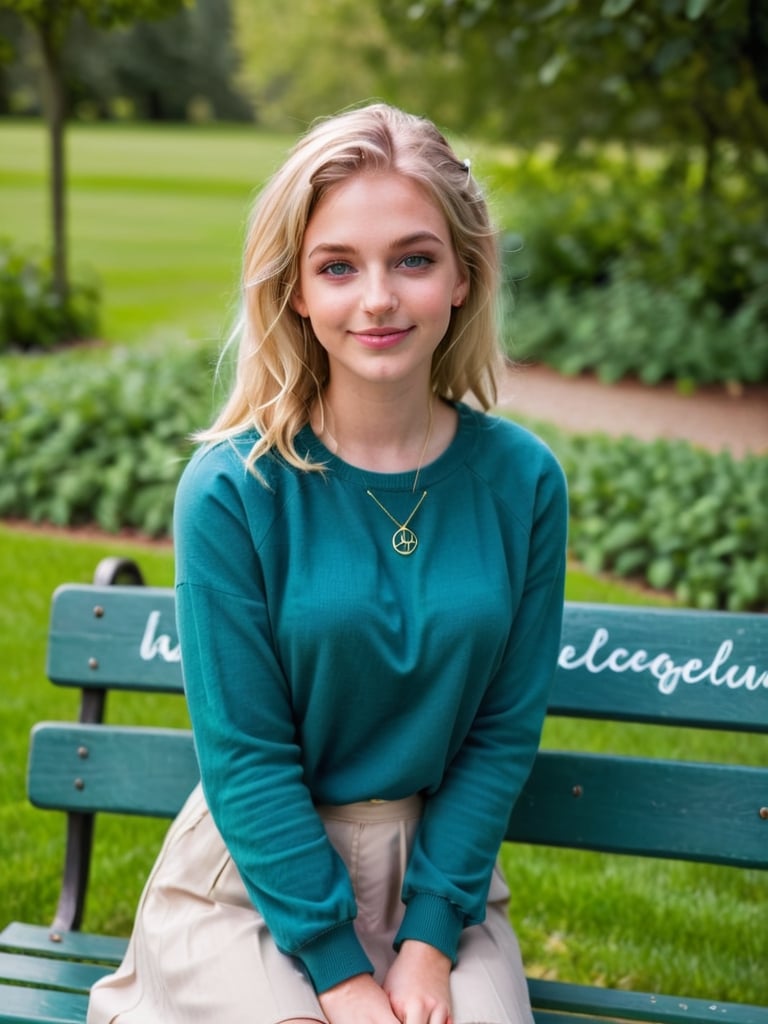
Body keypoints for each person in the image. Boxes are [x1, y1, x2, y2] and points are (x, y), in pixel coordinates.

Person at [87, 102, 568, 1024]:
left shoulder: (522, 482)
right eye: (338, 266)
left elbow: (499, 735)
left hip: (440, 886)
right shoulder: (234, 491)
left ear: (463, 275)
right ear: (297, 291)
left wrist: (428, 944)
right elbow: (246, 759)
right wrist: (341, 979)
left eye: (413, 259)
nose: (377, 297)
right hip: (253, 887)